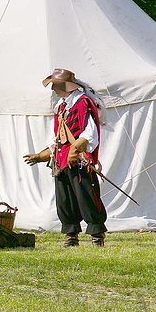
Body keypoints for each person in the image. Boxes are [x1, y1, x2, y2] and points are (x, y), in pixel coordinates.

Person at [23, 68, 107, 247]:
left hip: (79, 160)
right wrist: (41, 156)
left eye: (55, 84)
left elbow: (90, 134)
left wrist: (74, 151)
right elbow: (59, 138)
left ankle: (97, 235)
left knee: (87, 197)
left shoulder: (82, 103)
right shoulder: (61, 107)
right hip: (61, 161)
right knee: (65, 200)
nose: (52, 88)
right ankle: (71, 235)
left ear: (65, 86)